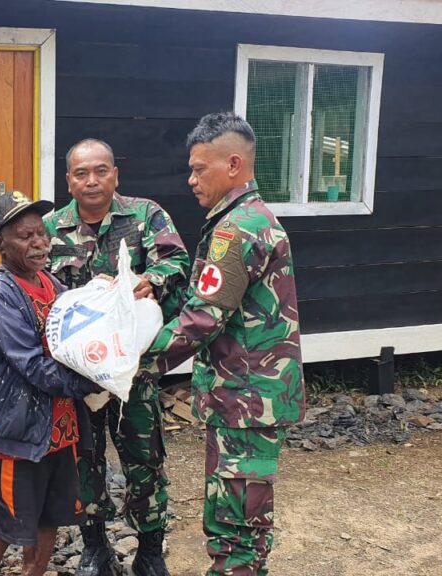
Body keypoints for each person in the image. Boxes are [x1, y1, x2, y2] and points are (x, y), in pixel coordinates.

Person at [150, 112, 306, 575]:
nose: (191, 179)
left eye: (200, 169)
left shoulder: (235, 229)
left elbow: (203, 318)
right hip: (249, 397)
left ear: (234, 164)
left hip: (245, 399)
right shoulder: (250, 218)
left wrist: (130, 361)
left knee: (236, 526)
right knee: (241, 519)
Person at [43, 139, 191, 576]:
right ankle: (95, 548)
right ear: (68, 180)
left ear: (115, 175)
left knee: (145, 460)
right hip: (78, 377)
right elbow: (34, 283)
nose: (92, 180)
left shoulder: (146, 216)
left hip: (133, 373)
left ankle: (150, 550)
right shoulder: (50, 228)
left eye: (101, 170)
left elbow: (178, 263)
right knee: (82, 462)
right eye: (81, 173)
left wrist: (150, 281)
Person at [0, 191, 101, 576]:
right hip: (21, 435)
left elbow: (81, 323)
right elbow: (33, 366)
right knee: (4, 529)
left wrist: (105, 294)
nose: (40, 243)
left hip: (60, 431)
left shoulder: (49, 283)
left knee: (49, 519)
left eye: (42, 233)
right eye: (26, 236)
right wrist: (94, 381)